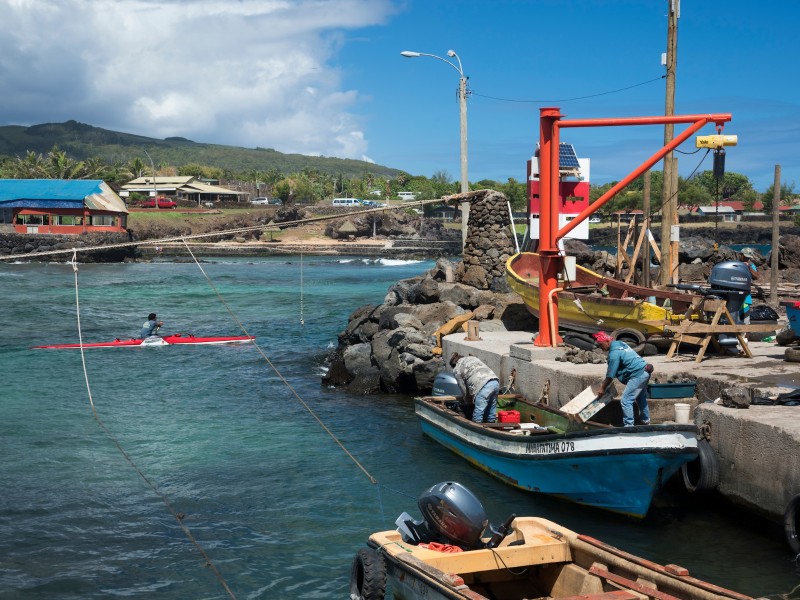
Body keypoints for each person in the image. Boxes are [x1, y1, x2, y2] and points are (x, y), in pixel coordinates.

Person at [592, 331, 652, 427]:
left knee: (626, 400)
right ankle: (646, 421)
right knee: (640, 397)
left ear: (607, 341)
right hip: (645, 370)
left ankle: (628, 427)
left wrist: (602, 387)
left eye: (601, 345)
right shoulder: (620, 343)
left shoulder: (614, 353)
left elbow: (610, 375)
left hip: (638, 374)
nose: (601, 347)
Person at [449, 352, 500, 423]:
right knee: (491, 412)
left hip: (482, 385)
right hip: (495, 381)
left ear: (453, 365)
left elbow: (463, 388)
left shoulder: (457, 369)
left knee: (478, 413)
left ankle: (477, 427)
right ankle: (492, 427)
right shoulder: (472, 358)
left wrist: (468, 402)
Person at [737, 251, 760, 324]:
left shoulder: (751, 265)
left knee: (745, 320)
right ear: (740, 255)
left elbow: (757, 276)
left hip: (746, 295)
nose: (746, 259)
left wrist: (749, 267)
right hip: (734, 294)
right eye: (745, 257)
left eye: (748, 258)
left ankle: (746, 329)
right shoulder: (735, 264)